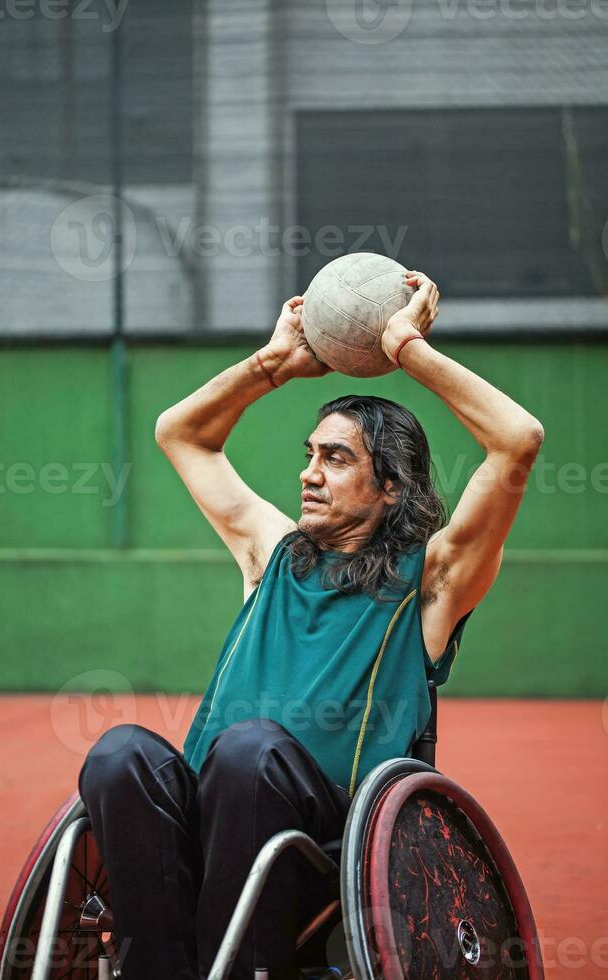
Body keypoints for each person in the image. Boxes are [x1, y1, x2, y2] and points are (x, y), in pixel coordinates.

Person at [78, 269, 544, 980]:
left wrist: (407, 346)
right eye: (309, 456)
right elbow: (182, 434)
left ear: (390, 487)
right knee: (119, 755)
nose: (309, 474)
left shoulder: (430, 582)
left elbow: (517, 439)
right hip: (212, 812)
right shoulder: (273, 553)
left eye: (336, 459)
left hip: (331, 839)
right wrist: (275, 364)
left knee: (250, 750)